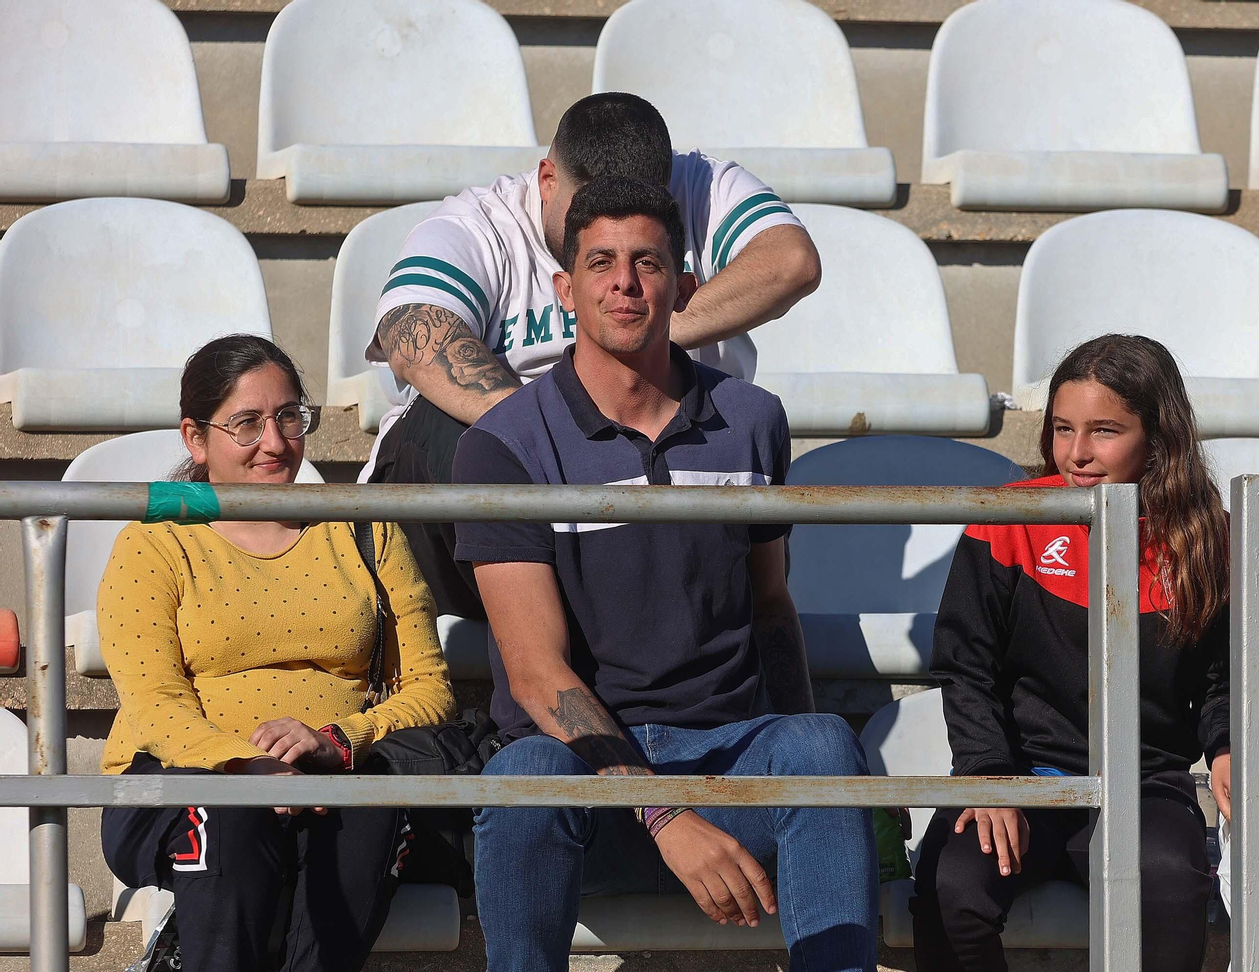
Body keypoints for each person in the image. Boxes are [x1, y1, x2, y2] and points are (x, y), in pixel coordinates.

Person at [451, 176, 877, 972]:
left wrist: (821, 782)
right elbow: (539, 677)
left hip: (729, 764)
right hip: (585, 785)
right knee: (524, 780)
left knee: (821, 744)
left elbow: (770, 608)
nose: (623, 283)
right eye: (601, 262)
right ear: (563, 288)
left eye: (647, 263)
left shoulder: (751, 421)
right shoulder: (503, 445)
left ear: (683, 286)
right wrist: (659, 810)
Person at [364, 92, 822, 623]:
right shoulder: (478, 223)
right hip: (512, 473)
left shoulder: (705, 184)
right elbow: (413, 333)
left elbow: (793, 261)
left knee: (737, 420)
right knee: (456, 432)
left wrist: (641, 328)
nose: (609, 228)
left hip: (654, 452)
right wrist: (557, 433)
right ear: (547, 180)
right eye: (589, 216)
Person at [98, 335, 457, 972]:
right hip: (185, 782)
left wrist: (336, 743)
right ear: (195, 437)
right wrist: (252, 769)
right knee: (232, 821)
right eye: (246, 423)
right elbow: (154, 707)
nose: (275, 441)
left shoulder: (364, 527)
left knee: (367, 805)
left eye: (289, 416)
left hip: (331, 780)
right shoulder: (155, 543)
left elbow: (430, 690)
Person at [912, 334, 1231, 972]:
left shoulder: (1205, 537)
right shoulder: (1009, 517)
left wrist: (1224, 748)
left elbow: (1222, 678)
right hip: (1018, 772)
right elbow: (962, 665)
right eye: (1062, 429)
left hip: (1144, 784)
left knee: (1172, 885)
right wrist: (986, 772)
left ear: (1159, 437)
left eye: (1104, 431)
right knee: (951, 889)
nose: (1077, 453)